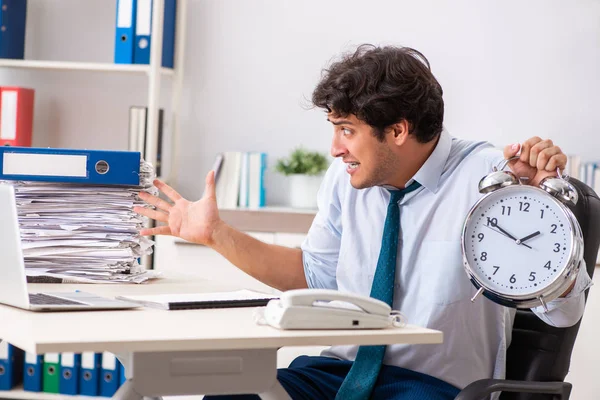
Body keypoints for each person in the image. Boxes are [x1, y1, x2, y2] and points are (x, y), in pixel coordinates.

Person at [134, 45, 592, 400]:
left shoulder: (494, 182)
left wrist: (544, 205)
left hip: (430, 385)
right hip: (339, 371)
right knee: (234, 394)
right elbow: (311, 274)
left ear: (397, 130)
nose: (335, 148)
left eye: (347, 130)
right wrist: (215, 234)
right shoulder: (344, 179)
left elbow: (563, 312)